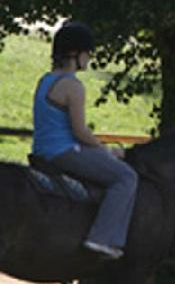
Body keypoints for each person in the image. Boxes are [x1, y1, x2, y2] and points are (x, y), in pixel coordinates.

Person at [32, 21, 139, 260]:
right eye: (87, 53)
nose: (89, 58)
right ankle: (101, 238)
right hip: (65, 152)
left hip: (41, 150)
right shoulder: (73, 86)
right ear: (75, 54)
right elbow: (80, 131)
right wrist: (107, 151)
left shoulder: (45, 80)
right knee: (126, 177)